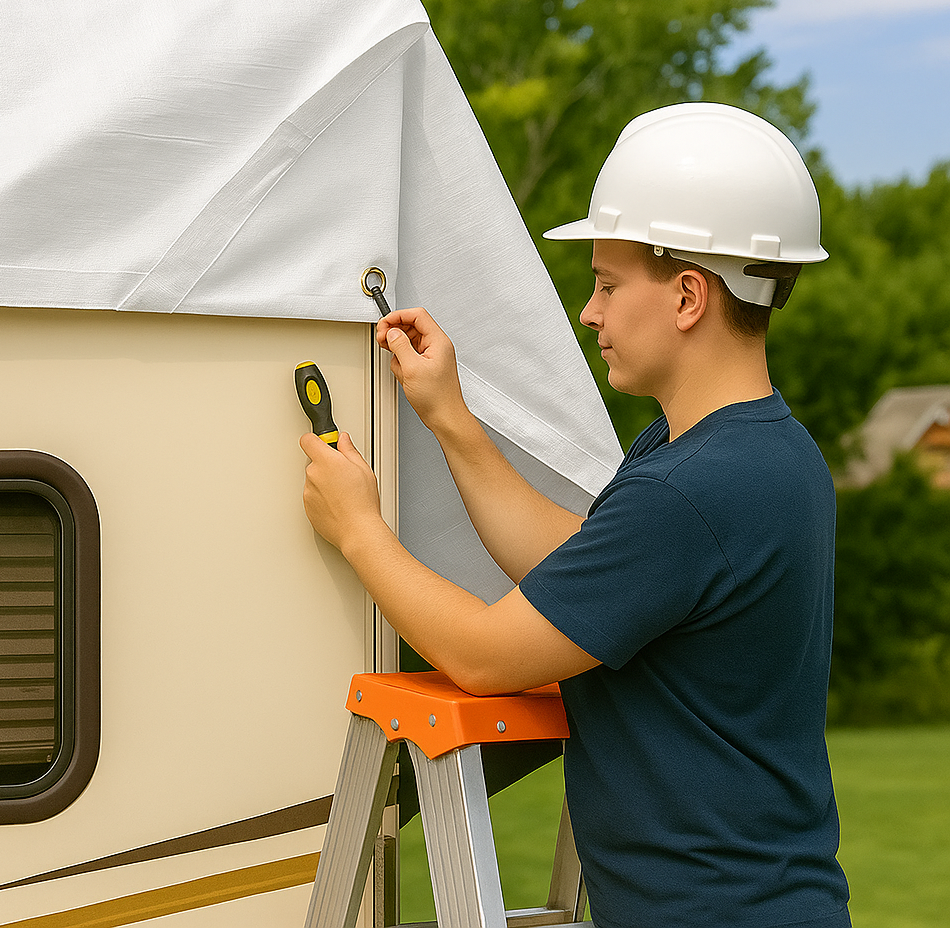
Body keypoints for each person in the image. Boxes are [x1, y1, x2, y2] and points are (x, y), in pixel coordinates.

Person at [300, 102, 852, 928]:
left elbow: (486, 656)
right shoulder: (758, 454)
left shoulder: (692, 489)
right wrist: (450, 416)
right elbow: (581, 571)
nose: (591, 312)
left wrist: (359, 532)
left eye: (606, 283)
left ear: (690, 296)